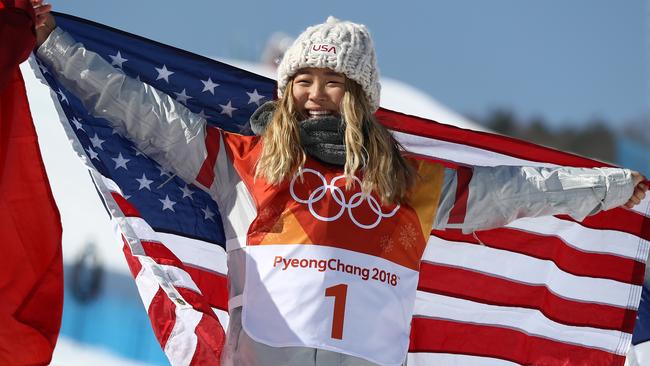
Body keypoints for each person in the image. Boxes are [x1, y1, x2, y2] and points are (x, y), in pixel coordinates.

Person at [32, 2, 648, 365]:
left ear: (360, 96)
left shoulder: (408, 183)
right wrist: (55, 47)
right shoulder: (247, 161)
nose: (316, 95)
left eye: (334, 82)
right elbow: (144, 113)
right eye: (303, 81)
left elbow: (513, 193)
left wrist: (608, 190)